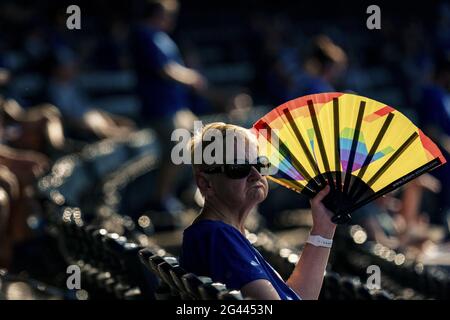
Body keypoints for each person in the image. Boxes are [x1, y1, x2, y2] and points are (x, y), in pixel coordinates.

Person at [180, 122, 336, 300]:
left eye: (261, 164)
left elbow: (298, 297)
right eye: (238, 167)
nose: (256, 174)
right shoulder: (218, 237)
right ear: (205, 183)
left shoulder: (219, 234)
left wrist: (324, 228)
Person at [130, 0, 207, 213]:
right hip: (160, 107)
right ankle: (161, 199)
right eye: (167, 14)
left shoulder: (163, 37)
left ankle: (192, 191)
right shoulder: (144, 34)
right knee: (177, 147)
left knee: (205, 140)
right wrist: (191, 78)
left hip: (178, 106)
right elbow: (165, 69)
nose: (171, 19)